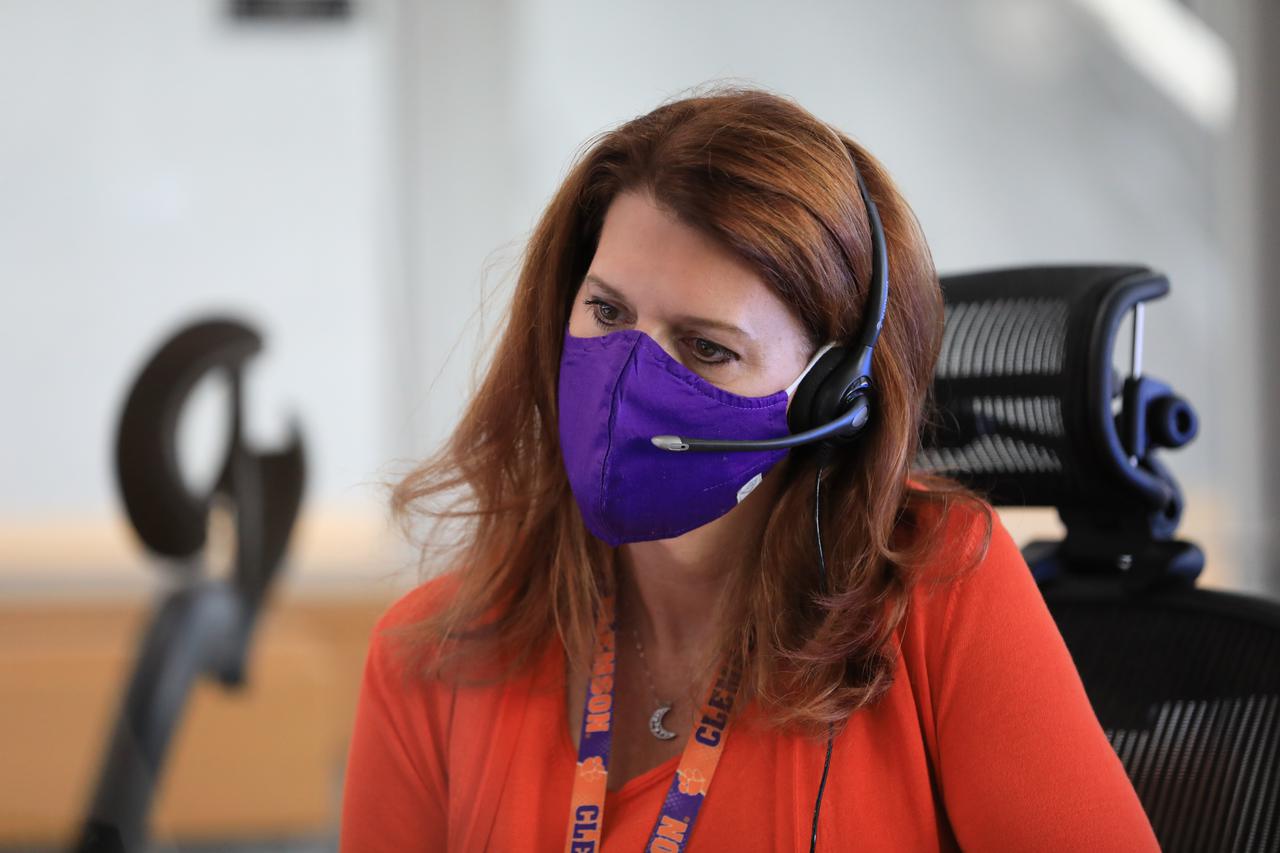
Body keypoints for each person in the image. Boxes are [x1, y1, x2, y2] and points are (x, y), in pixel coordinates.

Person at [339, 85, 1160, 852]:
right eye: (607, 310)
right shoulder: (432, 657)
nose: (628, 376)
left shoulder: (938, 586)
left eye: (706, 347)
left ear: (828, 393)